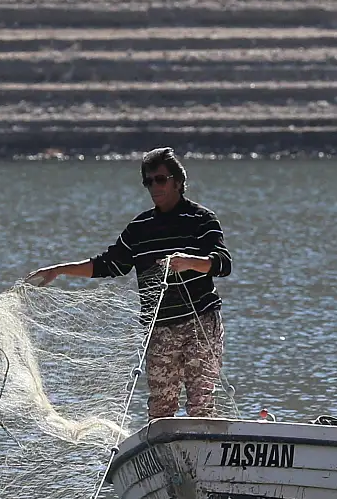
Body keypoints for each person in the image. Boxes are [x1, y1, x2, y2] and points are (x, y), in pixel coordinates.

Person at [26, 147, 232, 419]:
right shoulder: (140, 228)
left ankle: (205, 445)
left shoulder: (202, 220)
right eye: (148, 182)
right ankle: (168, 447)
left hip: (200, 323)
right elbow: (108, 264)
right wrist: (59, 270)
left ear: (178, 181)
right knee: (161, 409)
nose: (154, 187)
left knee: (200, 405)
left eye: (161, 179)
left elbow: (223, 263)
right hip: (160, 328)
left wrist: (190, 262)